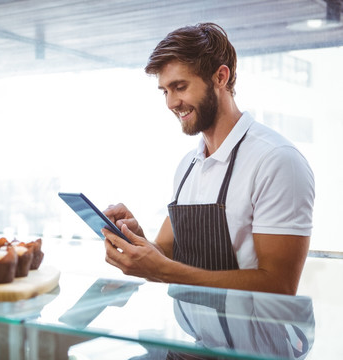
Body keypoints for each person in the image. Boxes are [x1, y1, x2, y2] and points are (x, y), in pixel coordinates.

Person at [102, 23, 314, 295]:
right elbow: (165, 255)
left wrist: (162, 269)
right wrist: (136, 240)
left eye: (180, 87)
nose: (170, 103)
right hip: (198, 336)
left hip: (255, 337)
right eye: (165, 91)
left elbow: (278, 286)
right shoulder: (189, 166)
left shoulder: (276, 161)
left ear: (220, 77)